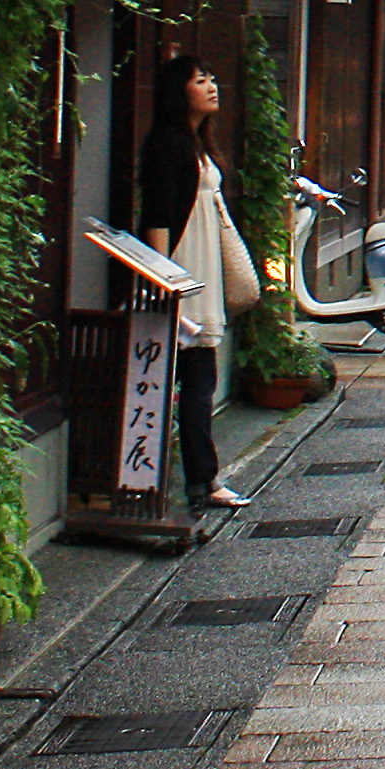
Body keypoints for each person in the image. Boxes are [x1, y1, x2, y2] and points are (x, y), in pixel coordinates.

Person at [129, 53, 257, 517]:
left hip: (197, 273)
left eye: (213, 77)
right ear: (178, 90)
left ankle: (202, 480)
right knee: (188, 383)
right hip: (180, 273)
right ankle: (195, 481)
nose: (212, 85)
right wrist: (163, 281)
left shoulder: (196, 143)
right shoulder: (169, 143)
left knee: (199, 381)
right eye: (200, 79)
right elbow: (158, 215)